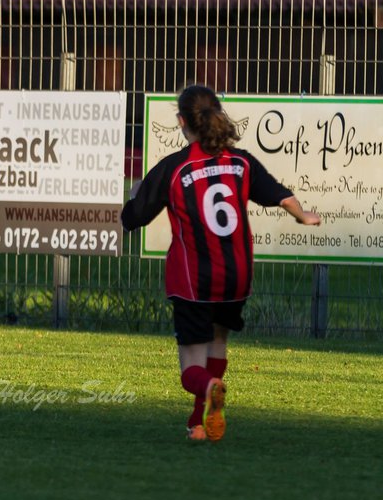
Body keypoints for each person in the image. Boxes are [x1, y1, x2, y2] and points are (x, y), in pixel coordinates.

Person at [121, 84, 320, 442]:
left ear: (182, 121)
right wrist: (302, 215)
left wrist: (135, 195)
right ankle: (198, 423)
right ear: (217, 115)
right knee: (217, 344)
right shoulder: (241, 161)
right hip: (236, 280)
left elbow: (133, 217)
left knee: (190, 370)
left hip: (195, 282)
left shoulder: (175, 168)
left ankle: (211, 387)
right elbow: (280, 194)